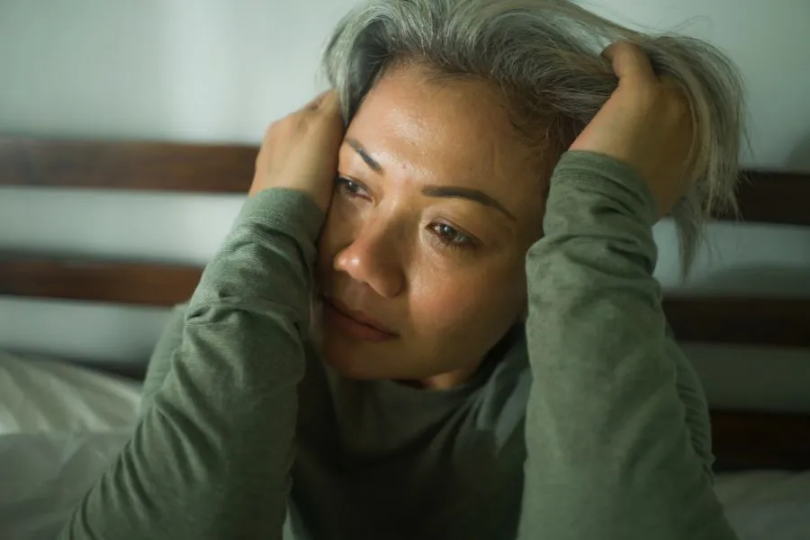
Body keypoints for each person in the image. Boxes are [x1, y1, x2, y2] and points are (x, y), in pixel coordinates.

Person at [60, 1, 745, 539]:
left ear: (556, 250)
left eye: (449, 230)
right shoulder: (235, 332)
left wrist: (601, 215)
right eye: (355, 185)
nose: (359, 260)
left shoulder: (627, 376)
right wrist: (269, 221)